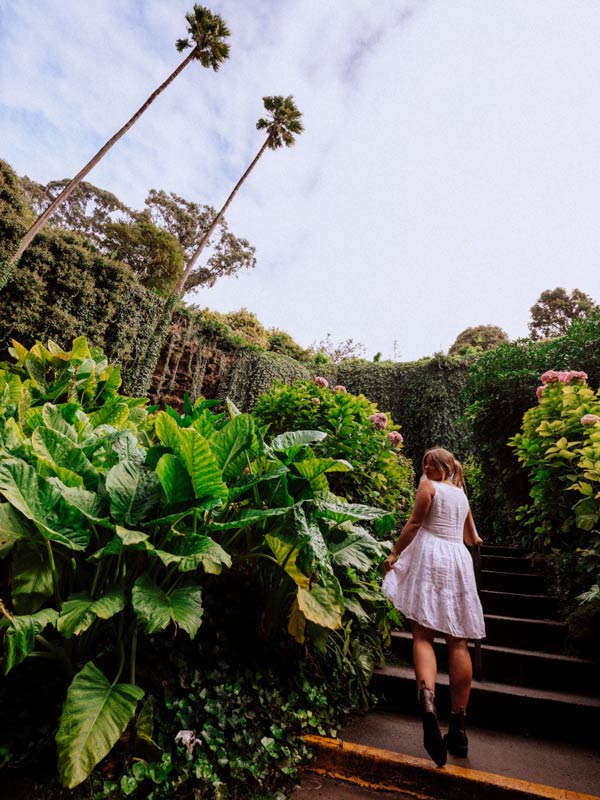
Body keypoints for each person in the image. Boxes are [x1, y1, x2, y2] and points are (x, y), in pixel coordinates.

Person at [381, 447, 485, 767]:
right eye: (425, 462)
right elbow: (471, 538)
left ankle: (427, 702)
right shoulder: (460, 494)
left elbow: (414, 524)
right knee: (458, 642)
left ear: (443, 466)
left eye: (431, 463)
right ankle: (459, 728)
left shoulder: (428, 486)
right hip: (457, 561)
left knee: (423, 636)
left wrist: (395, 554)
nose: (426, 467)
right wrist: (474, 541)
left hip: (430, 556)